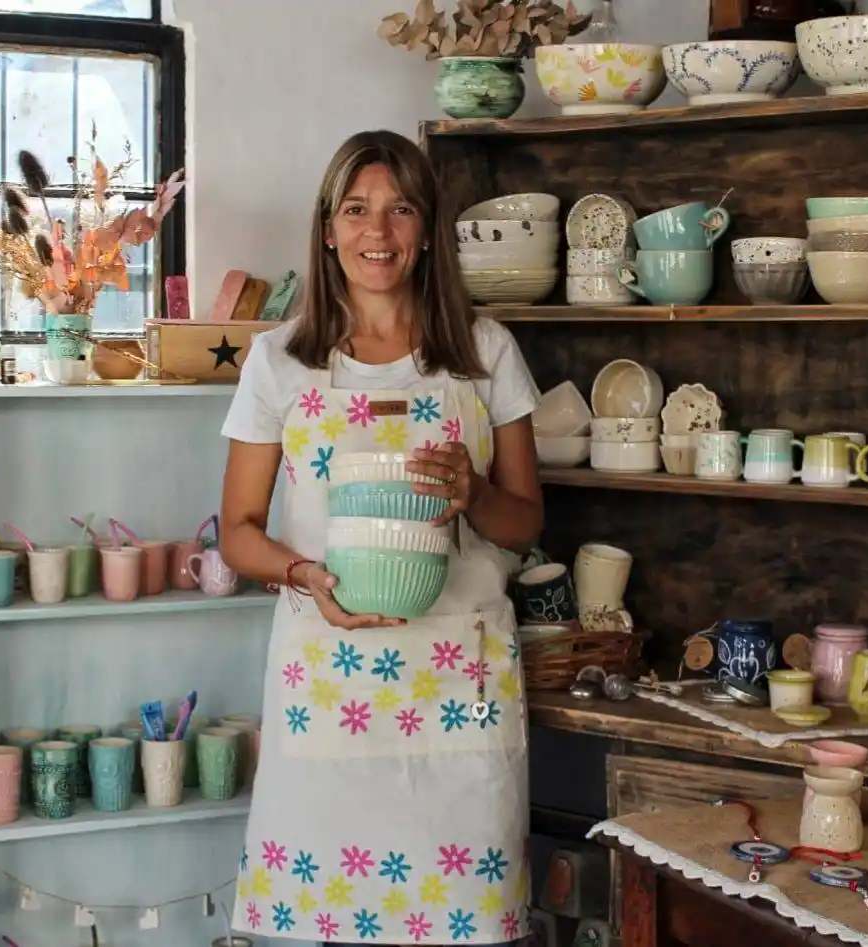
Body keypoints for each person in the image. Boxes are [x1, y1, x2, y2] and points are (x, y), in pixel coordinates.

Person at [219, 128, 544, 946]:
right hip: (330, 685)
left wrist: (471, 493)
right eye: (356, 210)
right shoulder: (278, 362)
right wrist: (304, 573)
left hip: (456, 689)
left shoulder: (484, 353)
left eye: (400, 210)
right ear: (327, 229)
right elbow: (237, 532)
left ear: (427, 228)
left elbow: (527, 521)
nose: (378, 231)